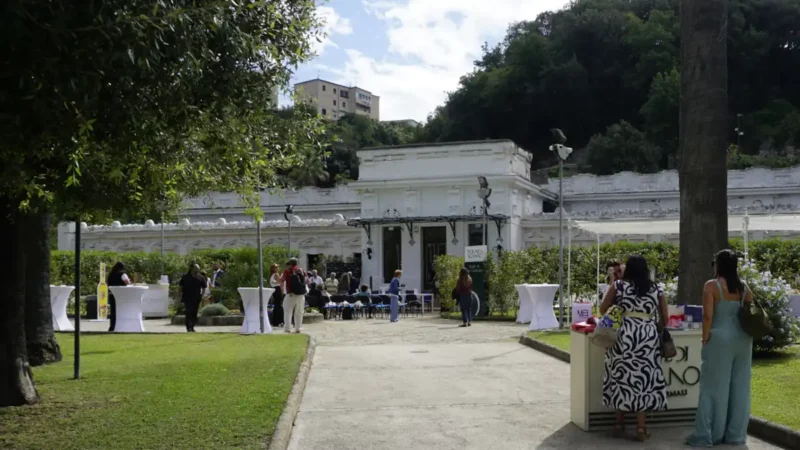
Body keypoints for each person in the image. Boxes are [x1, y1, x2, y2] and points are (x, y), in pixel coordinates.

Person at [685, 250, 753, 447]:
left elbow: (707, 316)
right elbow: (750, 309)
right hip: (743, 339)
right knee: (740, 387)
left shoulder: (712, 286)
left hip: (720, 338)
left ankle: (709, 434)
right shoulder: (743, 287)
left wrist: (705, 338)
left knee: (713, 386)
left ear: (719, 265)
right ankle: (735, 434)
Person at [600, 255, 668, 442]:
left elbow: (603, 309)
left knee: (620, 375)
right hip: (647, 335)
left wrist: (620, 310)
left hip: (623, 334)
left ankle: (619, 424)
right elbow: (665, 319)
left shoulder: (619, 286)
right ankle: (641, 428)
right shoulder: (656, 289)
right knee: (643, 380)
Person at [179, 263, 207, 332]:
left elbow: (204, 287)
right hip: (187, 298)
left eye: (198, 268)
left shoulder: (201, 277)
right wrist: (179, 295)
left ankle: (192, 326)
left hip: (196, 298)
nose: (198, 269)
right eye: (196, 268)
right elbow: (180, 287)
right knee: (188, 312)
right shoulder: (185, 277)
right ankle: (188, 327)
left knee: (194, 312)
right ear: (191, 268)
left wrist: (202, 295)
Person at [281, 258, 305, 334]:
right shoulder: (301, 270)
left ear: (290, 263)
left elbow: (282, 280)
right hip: (301, 294)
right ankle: (298, 328)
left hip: (291, 294)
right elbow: (306, 281)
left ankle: (287, 328)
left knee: (288, 311)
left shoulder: (287, 271)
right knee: (299, 312)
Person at [106, 262, 132, 332]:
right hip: (120, 295)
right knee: (120, 311)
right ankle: (120, 325)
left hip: (111, 294)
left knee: (113, 311)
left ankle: (112, 326)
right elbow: (127, 283)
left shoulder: (111, 274)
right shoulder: (123, 274)